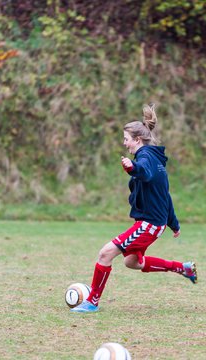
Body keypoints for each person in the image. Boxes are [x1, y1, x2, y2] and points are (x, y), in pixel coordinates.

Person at [71, 103, 197, 313]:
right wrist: (173, 223)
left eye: (126, 139)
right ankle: (182, 268)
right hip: (152, 223)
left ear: (137, 140)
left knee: (105, 254)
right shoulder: (156, 160)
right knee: (132, 262)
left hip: (149, 225)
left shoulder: (146, 159)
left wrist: (132, 168)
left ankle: (92, 302)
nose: (125, 143)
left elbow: (144, 172)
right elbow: (164, 195)